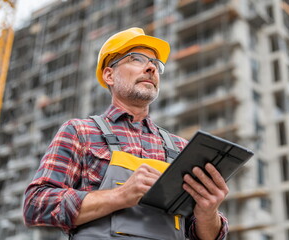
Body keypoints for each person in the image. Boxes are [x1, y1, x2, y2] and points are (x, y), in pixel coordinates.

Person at [23, 27, 229, 240]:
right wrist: (119, 195)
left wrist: (208, 214)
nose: (151, 68)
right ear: (109, 75)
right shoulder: (80, 132)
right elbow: (36, 205)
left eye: (156, 64)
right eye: (137, 59)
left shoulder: (180, 148)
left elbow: (203, 234)